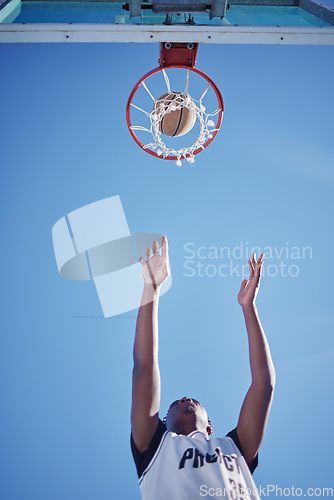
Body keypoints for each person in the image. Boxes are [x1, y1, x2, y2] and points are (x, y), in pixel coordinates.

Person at [131, 236, 275, 499]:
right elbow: (144, 366)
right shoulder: (155, 446)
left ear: (210, 425)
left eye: (192, 400)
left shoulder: (234, 447)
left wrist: (249, 307)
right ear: (164, 423)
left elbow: (263, 383)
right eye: (175, 403)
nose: (185, 398)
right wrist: (150, 288)